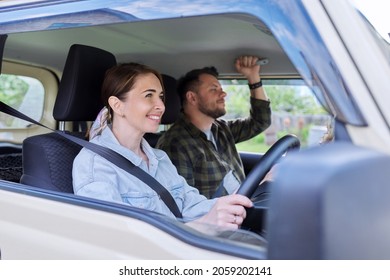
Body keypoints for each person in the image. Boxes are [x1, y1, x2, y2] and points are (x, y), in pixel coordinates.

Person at [72, 62, 253, 230]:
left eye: (160, 96)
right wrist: (202, 226)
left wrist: (233, 200)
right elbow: (119, 241)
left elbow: (191, 204)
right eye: (148, 95)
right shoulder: (95, 166)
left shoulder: (159, 157)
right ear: (117, 105)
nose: (160, 105)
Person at [156, 56, 271, 198]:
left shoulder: (221, 129)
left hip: (244, 205)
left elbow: (261, 121)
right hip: (221, 218)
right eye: (213, 89)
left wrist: (253, 77)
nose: (223, 94)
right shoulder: (175, 144)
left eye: (221, 88)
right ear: (192, 97)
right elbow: (184, 203)